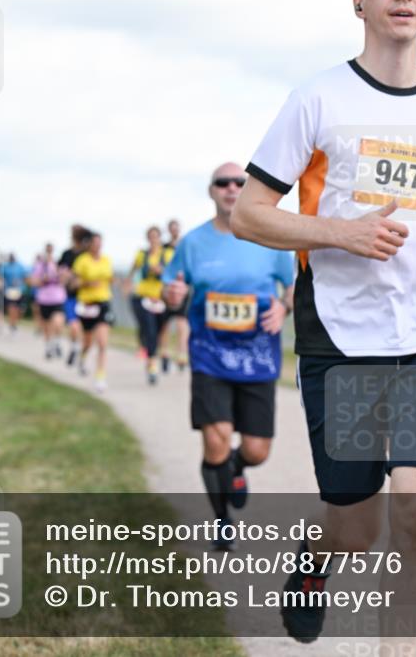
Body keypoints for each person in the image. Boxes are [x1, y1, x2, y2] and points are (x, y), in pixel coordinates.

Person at [231, 0, 416, 645]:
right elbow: (250, 212)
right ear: (359, 3)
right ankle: (316, 560)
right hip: (341, 330)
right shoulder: (318, 98)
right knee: (356, 525)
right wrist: (338, 234)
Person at [164, 163, 295, 550]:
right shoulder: (192, 243)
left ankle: (237, 468)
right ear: (212, 192)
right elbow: (173, 287)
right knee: (216, 441)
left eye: (240, 182)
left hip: (257, 356)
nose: (232, 188)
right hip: (209, 354)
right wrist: (172, 295)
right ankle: (222, 521)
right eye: (223, 183)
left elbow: (291, 290)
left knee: (257, 450)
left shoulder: (270, 240)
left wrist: (283, 309)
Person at [128, 226, 175, 384]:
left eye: (156, 236)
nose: (153, 239)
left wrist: (161, 271)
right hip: (144, 296)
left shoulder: (167, 254)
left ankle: (164, 353)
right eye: (151, 236)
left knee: (162, 330)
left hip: (161, 298)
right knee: (150, 330)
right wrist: (128, 283)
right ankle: (152, 365)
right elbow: (133, 269)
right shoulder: (142, 254)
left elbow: (173, 272)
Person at [70, 231, 114, 392]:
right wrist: (87, 283)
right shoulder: (82, 261)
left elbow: (109, 278)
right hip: (86, 305)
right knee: (88, 342)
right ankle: (82, 357)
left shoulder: (106, 260)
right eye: (94, 243)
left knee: (102, 342)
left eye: (99, 243)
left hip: (103, 302)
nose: (97, 246)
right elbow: (73, 283)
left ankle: (100, 376)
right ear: (89, 245)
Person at [58, 225, 91, 367]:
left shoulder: (87, 255)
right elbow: (60, 271)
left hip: (87, 297)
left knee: (87, 332)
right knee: (74, 325)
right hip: (71, 296)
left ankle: (82, 355)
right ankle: (75, 347)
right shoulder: (67, 254)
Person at [30, 243, 67, 359]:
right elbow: (33, 281)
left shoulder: (58, 265)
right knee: (46, 326)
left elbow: (66, 279)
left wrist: (61, 277)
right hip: (44, 299)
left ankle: (57, 342)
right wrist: (42, 280)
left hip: (57, 298)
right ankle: (48, 347)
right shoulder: (41, 265)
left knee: (58, 322)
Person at [162, 218, 189, 372]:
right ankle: (165, 353)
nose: (174, 231)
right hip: (167, 289)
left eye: (176, 228)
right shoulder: (163, 248)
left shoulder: (184, 245)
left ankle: (181, 355)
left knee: (182, 324)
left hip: (181, 288)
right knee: (165, 325)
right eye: (172, 228)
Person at [0, 252, 28, 335]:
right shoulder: (5, 267)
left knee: (20, 309)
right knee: (12, 308)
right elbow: (0, 278)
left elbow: (25, 277)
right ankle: (12, 324)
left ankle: (14, 322)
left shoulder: (20, 266)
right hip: (9, 291)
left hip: (20, 290)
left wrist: (22, 282)